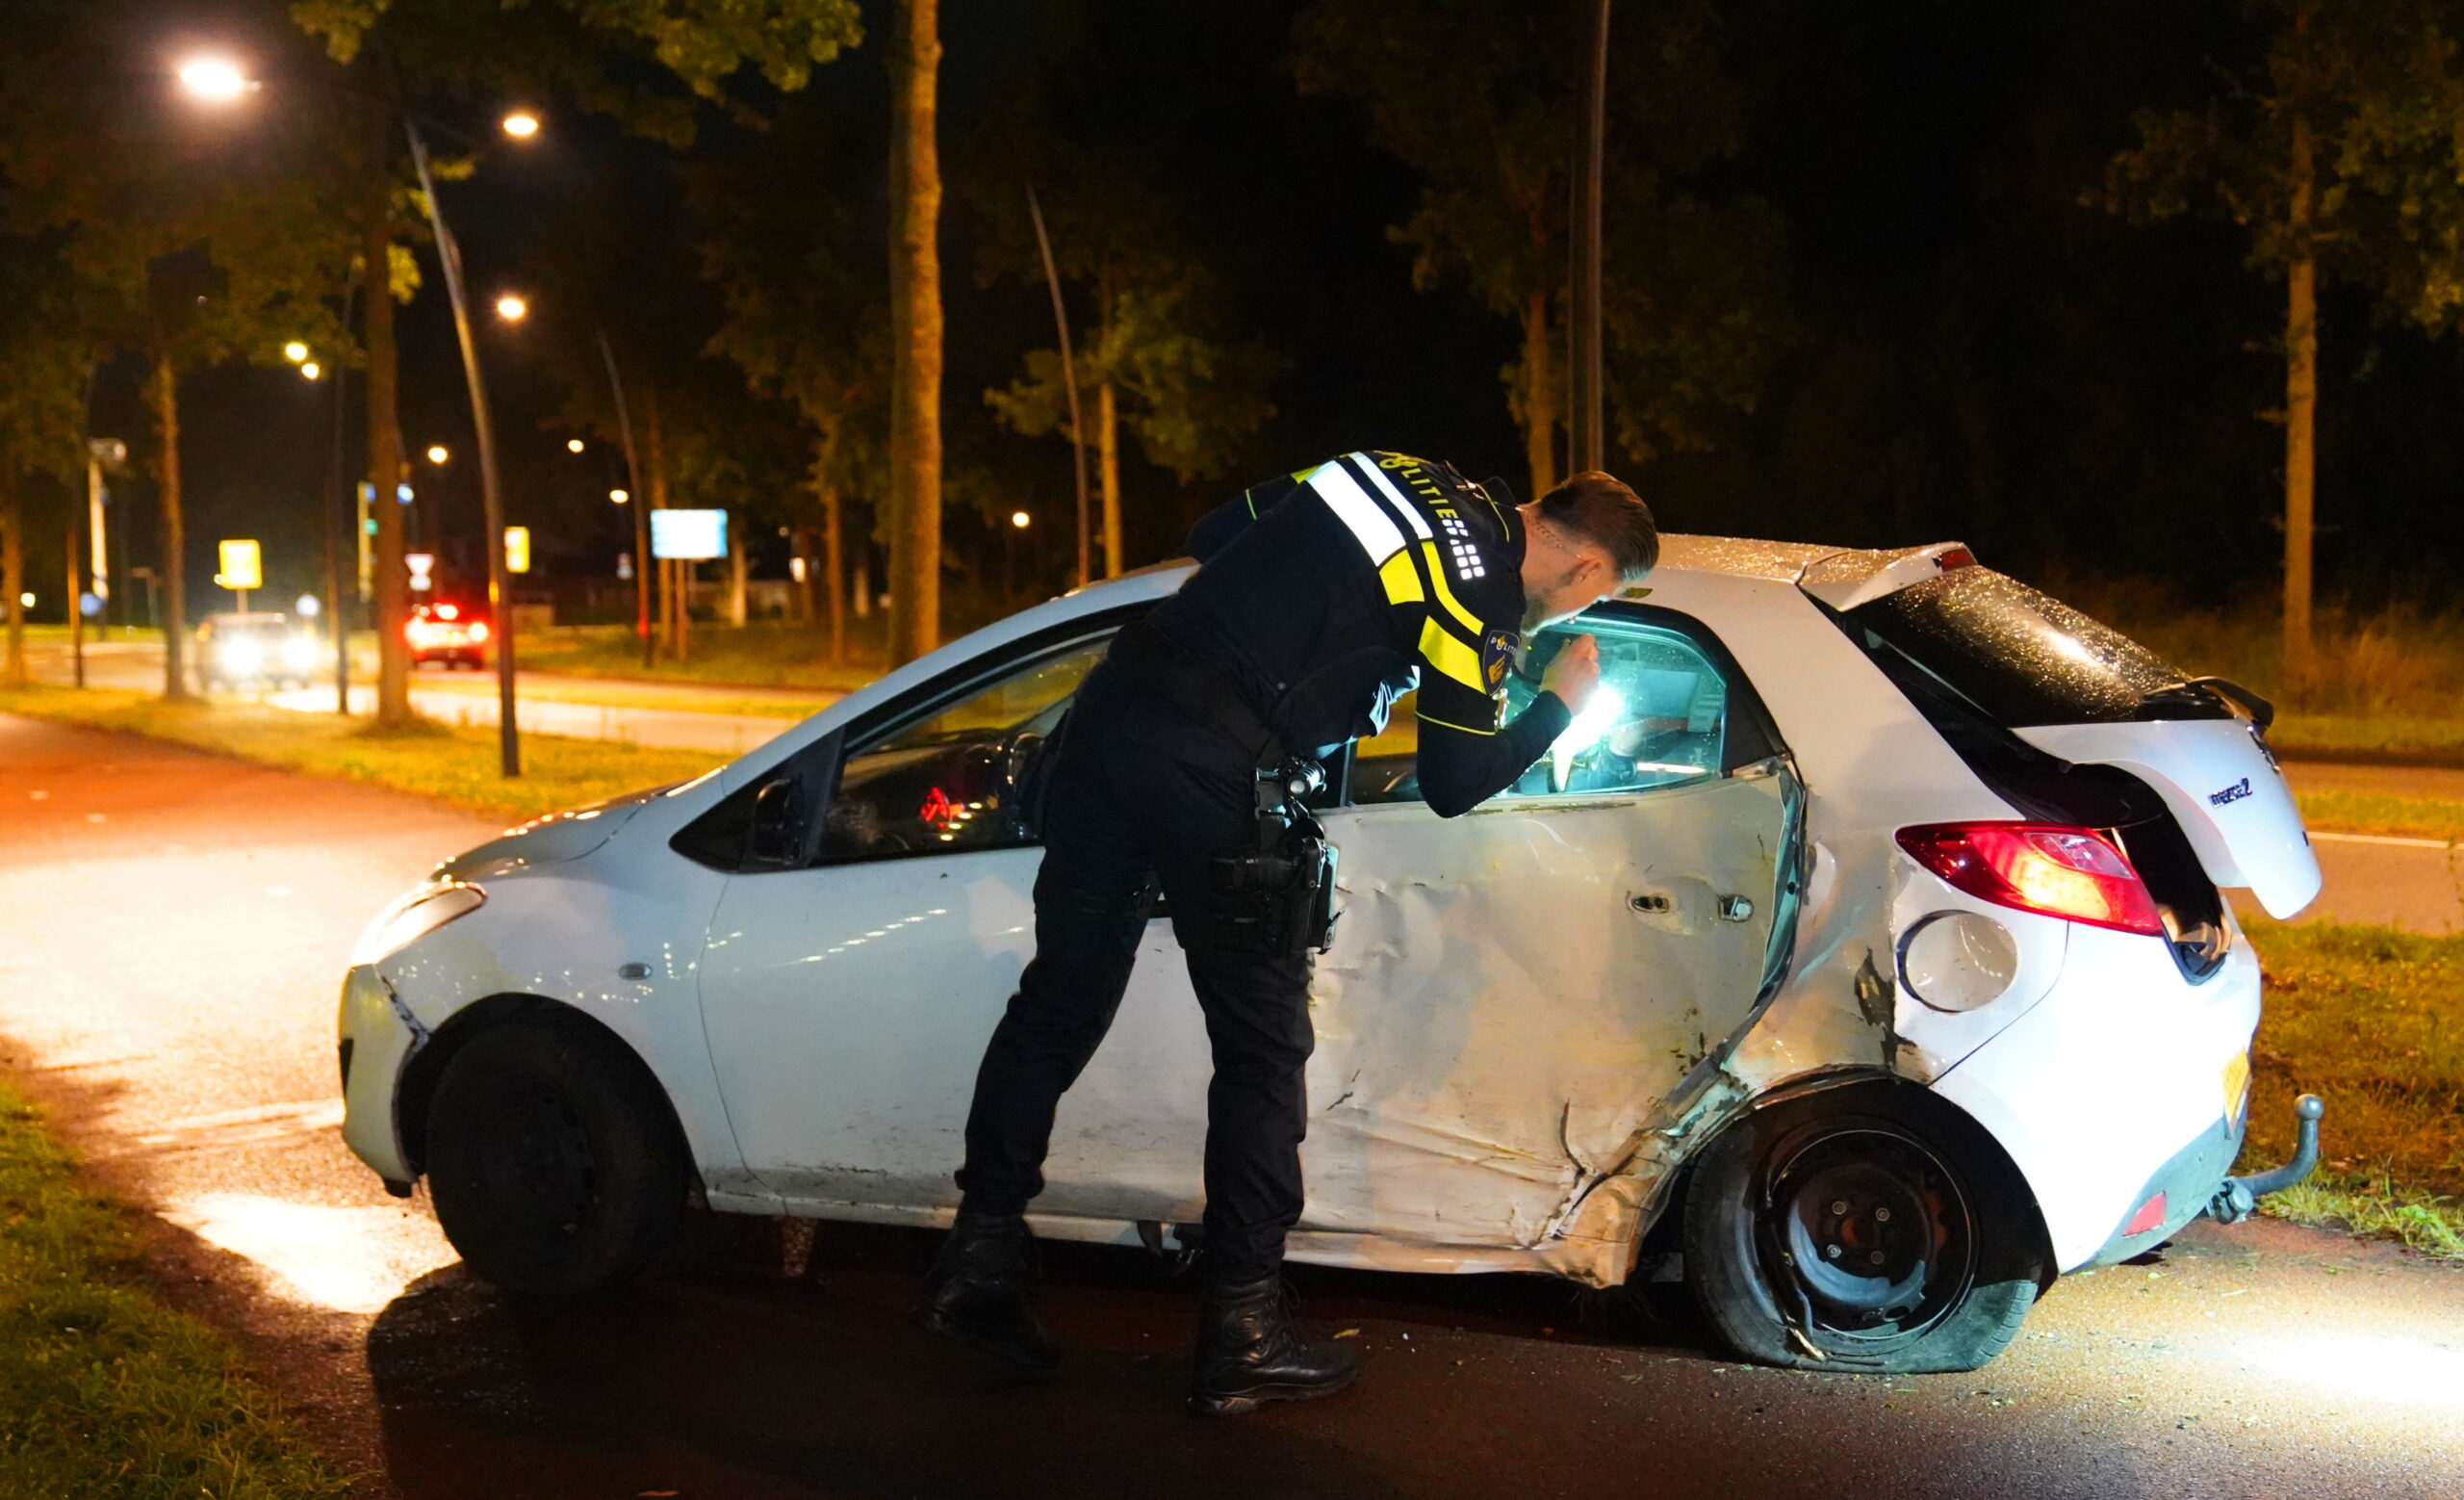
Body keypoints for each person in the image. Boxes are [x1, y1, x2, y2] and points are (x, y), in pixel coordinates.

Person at [915, 453, 1658, 1414]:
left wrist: (1314, 632)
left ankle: (976, 1267)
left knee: (1059, 998)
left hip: (1109, 725)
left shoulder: (1392, 468)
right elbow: (1455, 781)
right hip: (1216, 775)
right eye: (1597, 599)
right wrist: (1558, 701)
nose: (1579, 611)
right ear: (1590, 569)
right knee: (1262, 1053)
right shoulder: (1475, 594)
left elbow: (1216, 533)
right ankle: (1243, 1334)